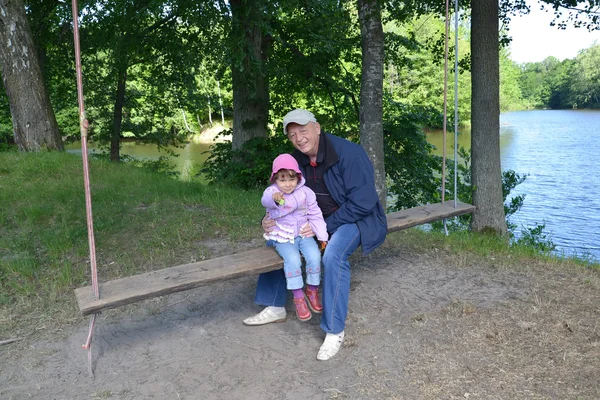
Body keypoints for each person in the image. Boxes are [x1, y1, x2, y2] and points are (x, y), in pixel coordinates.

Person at [243, 108, 388, 361]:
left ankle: (334, 330)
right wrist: (268, 219)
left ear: (317, 127)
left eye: (303, 130)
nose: (299, 138)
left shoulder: (349, 154)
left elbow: (364, 202)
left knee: (332, 255)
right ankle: (276, 305)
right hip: (312, 218)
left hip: (354, 218)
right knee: (278, 239)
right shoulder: (295, 161)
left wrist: (326, 226)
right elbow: (279, 195)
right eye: (292, 135)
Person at [261, 153, 329, 322]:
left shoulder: (306, 193)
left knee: (314, 256)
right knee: (293, 260)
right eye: (282, 180)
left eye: (291, 179)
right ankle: (298, 297)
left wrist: (322, 236)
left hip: (303, 234)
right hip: (283, 236)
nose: (287, 184)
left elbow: (315, 213)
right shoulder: (273, 192)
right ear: (275, 179)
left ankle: (312, 289)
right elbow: (265, 200)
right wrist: (274, 199)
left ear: (298, 177)